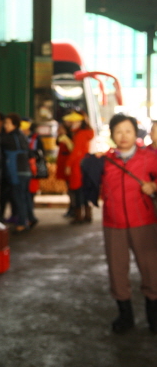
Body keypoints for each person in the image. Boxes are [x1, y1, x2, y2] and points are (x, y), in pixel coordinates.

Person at [100, 114, 157, 333]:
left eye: (128, 131)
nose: (123, 136)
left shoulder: (149, 157)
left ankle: (154, 317)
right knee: (117, 271)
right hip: (113, 224)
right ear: (112, 135)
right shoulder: (104, 160)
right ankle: (125, 316)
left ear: (135, 133)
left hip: (143, 222)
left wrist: (153, 185)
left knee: (152, 270)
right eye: (118, 131)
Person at [0, 113, 35, 233]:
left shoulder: (9, 137)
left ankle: (21, 224)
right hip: (26, 171)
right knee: (25, 197)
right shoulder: (22, 135)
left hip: (17, 172)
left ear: (14, 124)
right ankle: (30, 218)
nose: (5, 126)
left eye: (7, 123)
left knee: (18, 198)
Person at [63, 111, 94, 224]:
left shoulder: (80, 134)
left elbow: (76, 152)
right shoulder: (84, 133)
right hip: (83, 165)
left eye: (74, 121)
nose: (72, 123)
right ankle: (87, 215)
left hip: (78, 166)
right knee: (83, 191)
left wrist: (68, 165)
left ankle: (79, 216)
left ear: (80, 121)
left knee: (78, 192)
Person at [56, 121, 74, 217]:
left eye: (61, 129)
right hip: (64, 167)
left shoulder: (68, 139)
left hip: (68, 168)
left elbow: (72, 149)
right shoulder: (61, 139)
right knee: (69, 189)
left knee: (71, 189)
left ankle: (73, 209)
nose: (59, 131)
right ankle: (72, 209)